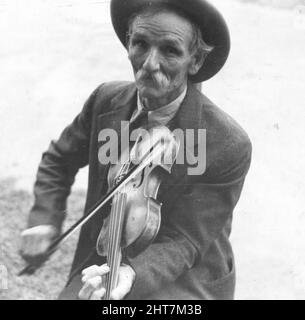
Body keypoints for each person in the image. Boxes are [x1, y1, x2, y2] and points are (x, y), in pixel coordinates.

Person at [20, 0, 252, 300]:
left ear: (194, 61)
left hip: (185, 276)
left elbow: (186, 240)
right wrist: (44, 219)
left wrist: (132, 274)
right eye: (141, 43)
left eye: (170, 50)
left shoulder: (227, 142)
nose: (149, 63)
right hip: (107, 254)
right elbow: (59, 159)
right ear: (128, 43)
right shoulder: (105, 100)